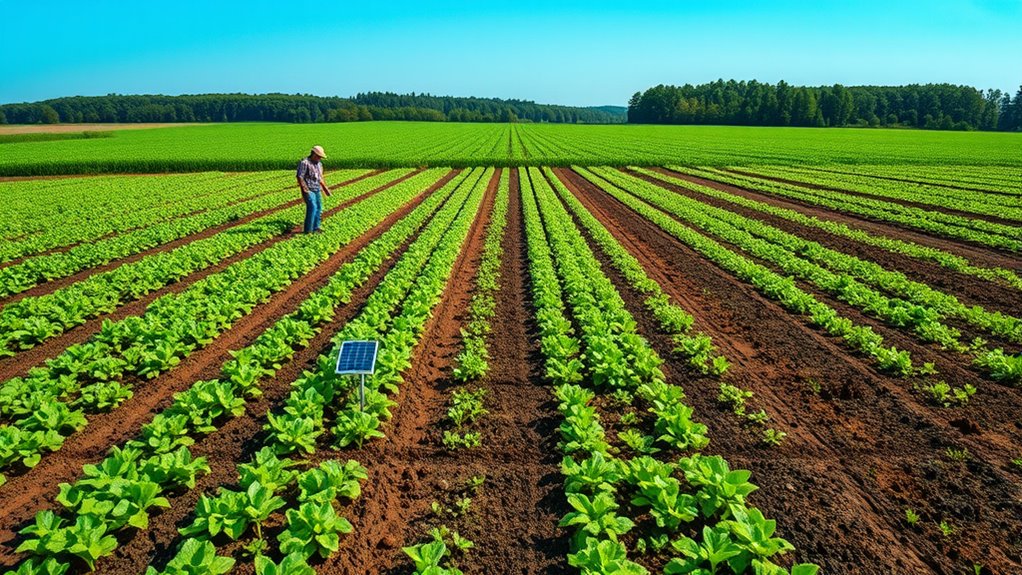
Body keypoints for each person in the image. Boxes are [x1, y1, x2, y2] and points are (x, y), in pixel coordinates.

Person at [296, 145, 332, 234]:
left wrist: (325, 188)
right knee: (312, 207)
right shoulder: (304, 163)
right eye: (318, 156)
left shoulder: (319, 164)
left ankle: (316, 228)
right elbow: (300, 177)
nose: (319, 158)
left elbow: (320, 178)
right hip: (308, 189)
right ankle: (308, 230)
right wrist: (304, 189)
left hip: (317, 189)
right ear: (313, 154)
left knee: (319, 207)